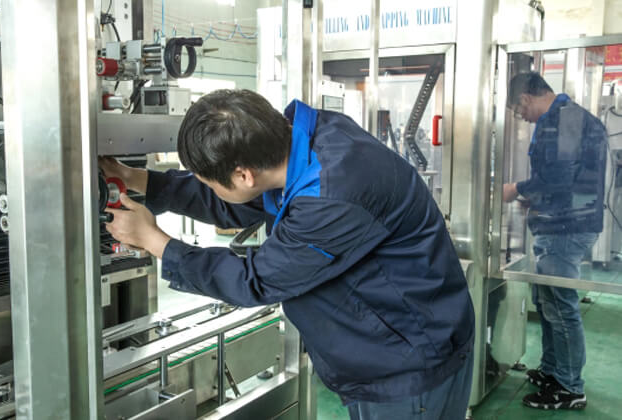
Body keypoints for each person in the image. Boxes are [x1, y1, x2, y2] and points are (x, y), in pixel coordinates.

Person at [101, 89, 475, 419]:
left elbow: (255, 281)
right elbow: (237, 201)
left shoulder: (332, 195)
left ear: (244, 174)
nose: (211, 189)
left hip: (409, 366)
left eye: (210, 182)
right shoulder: (298, 145)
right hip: (386, 346)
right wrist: (136, 179)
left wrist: (156, 242)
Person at [503, 72, 607, 410]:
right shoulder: (564, 118)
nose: (523, 118)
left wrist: (516, 189)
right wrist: (536, 198)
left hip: (566, 228)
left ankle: (569, 386)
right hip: (560, 222)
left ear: (525, 98)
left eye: (519, 111)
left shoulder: (564, 120)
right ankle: (552, 370)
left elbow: (559, 177)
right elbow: (567, 178)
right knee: (547, 301)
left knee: (560, 307)